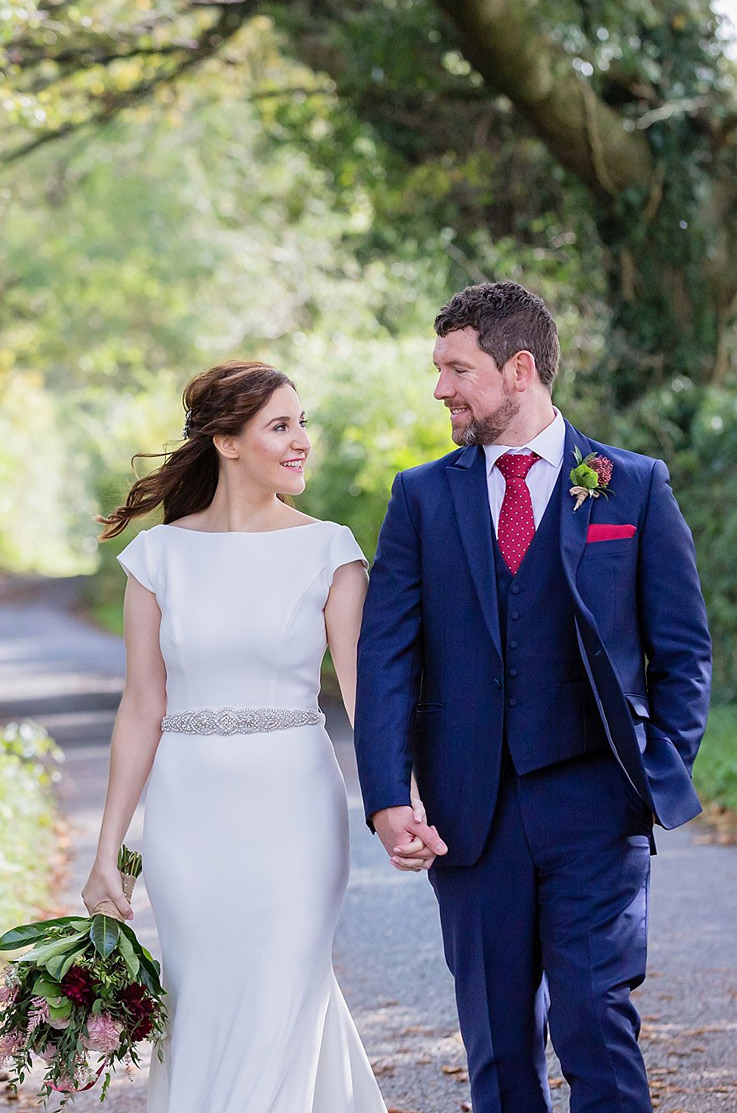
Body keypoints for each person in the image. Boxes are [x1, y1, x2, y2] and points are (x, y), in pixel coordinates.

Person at [354, 282, 711, 1113]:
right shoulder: (419, 496)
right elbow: (387, 657)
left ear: (519, 369)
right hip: (470, 815)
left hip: (595, 799)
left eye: (455, 368)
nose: (439, 387)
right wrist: (384, 796)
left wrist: (657, 768)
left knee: (596, 1021)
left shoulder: (632, 484)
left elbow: (683, 650)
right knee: (498, 1042)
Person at [81, 360, 395, 1113]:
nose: (301, 442)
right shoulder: (158, 558)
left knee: (286, 985)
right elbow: (141, 706)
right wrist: (105, 851)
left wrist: (397, 799)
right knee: (207, 1001)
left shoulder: (331, 549)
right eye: (280, 426)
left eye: (302, 423)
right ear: (225, 442)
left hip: (295, 806)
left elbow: (364, 693)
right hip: (189, 815)